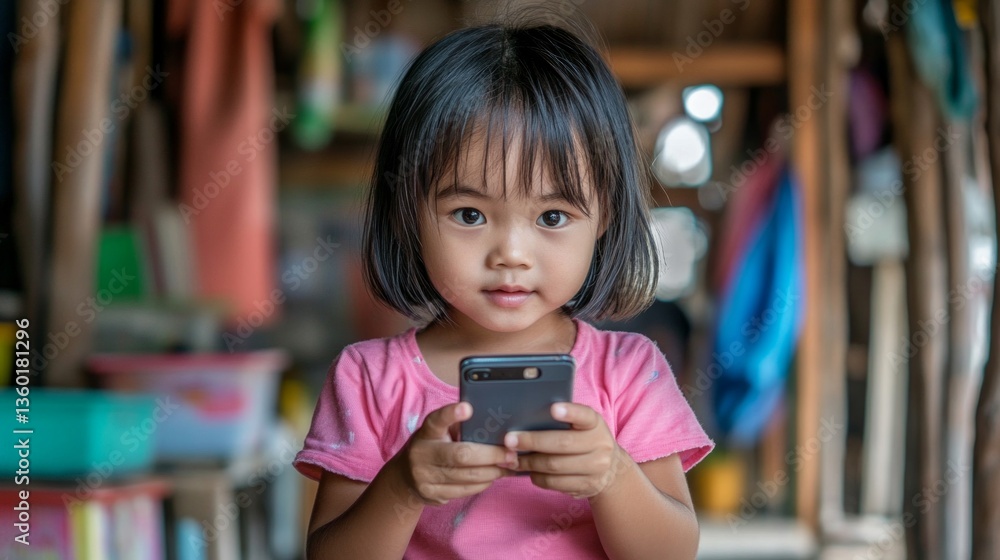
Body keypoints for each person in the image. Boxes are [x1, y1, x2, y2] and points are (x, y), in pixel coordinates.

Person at [293, 19, 714, 560]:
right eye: (469, 213)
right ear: (408, 211)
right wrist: (402, 487)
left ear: (604, 214)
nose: (511, 253)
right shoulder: (368, 379)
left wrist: (612, 475)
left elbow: (671, 553)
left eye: (553, 216)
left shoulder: (630, 372)